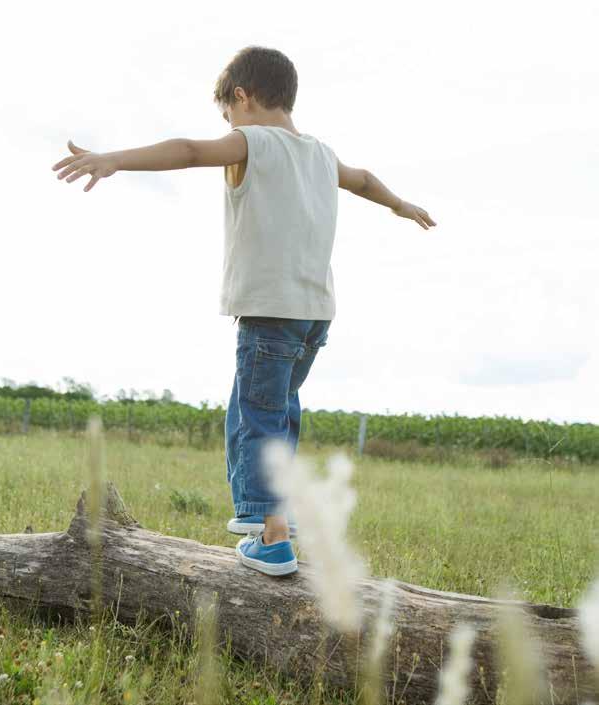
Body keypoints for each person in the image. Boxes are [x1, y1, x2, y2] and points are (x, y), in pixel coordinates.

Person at [51, 45, 437, 577]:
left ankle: (269, 536)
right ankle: (281, 525)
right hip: (315, 315)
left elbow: (187, 150)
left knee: (253, 418)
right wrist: (401, 205)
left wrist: (115, 159)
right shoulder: (322, 154)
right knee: (278, 414)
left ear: (242, 96)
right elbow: (366, 179)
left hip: (269, 313)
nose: (228, 126)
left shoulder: (252, 142)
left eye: (227, 115)